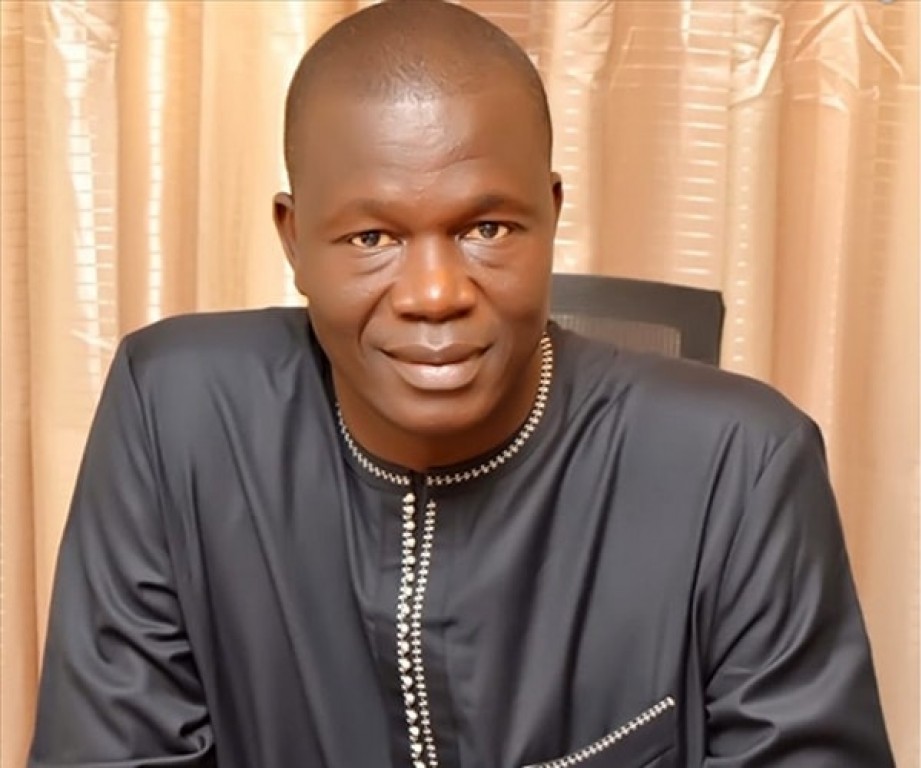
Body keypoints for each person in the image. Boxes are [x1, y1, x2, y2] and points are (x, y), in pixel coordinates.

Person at [29, 2, 894, 766]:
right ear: (293, 240)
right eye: (371, 239)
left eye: (487, 228)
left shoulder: (738, 465)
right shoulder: (173, 416)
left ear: (551, 214)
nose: (435, 293)